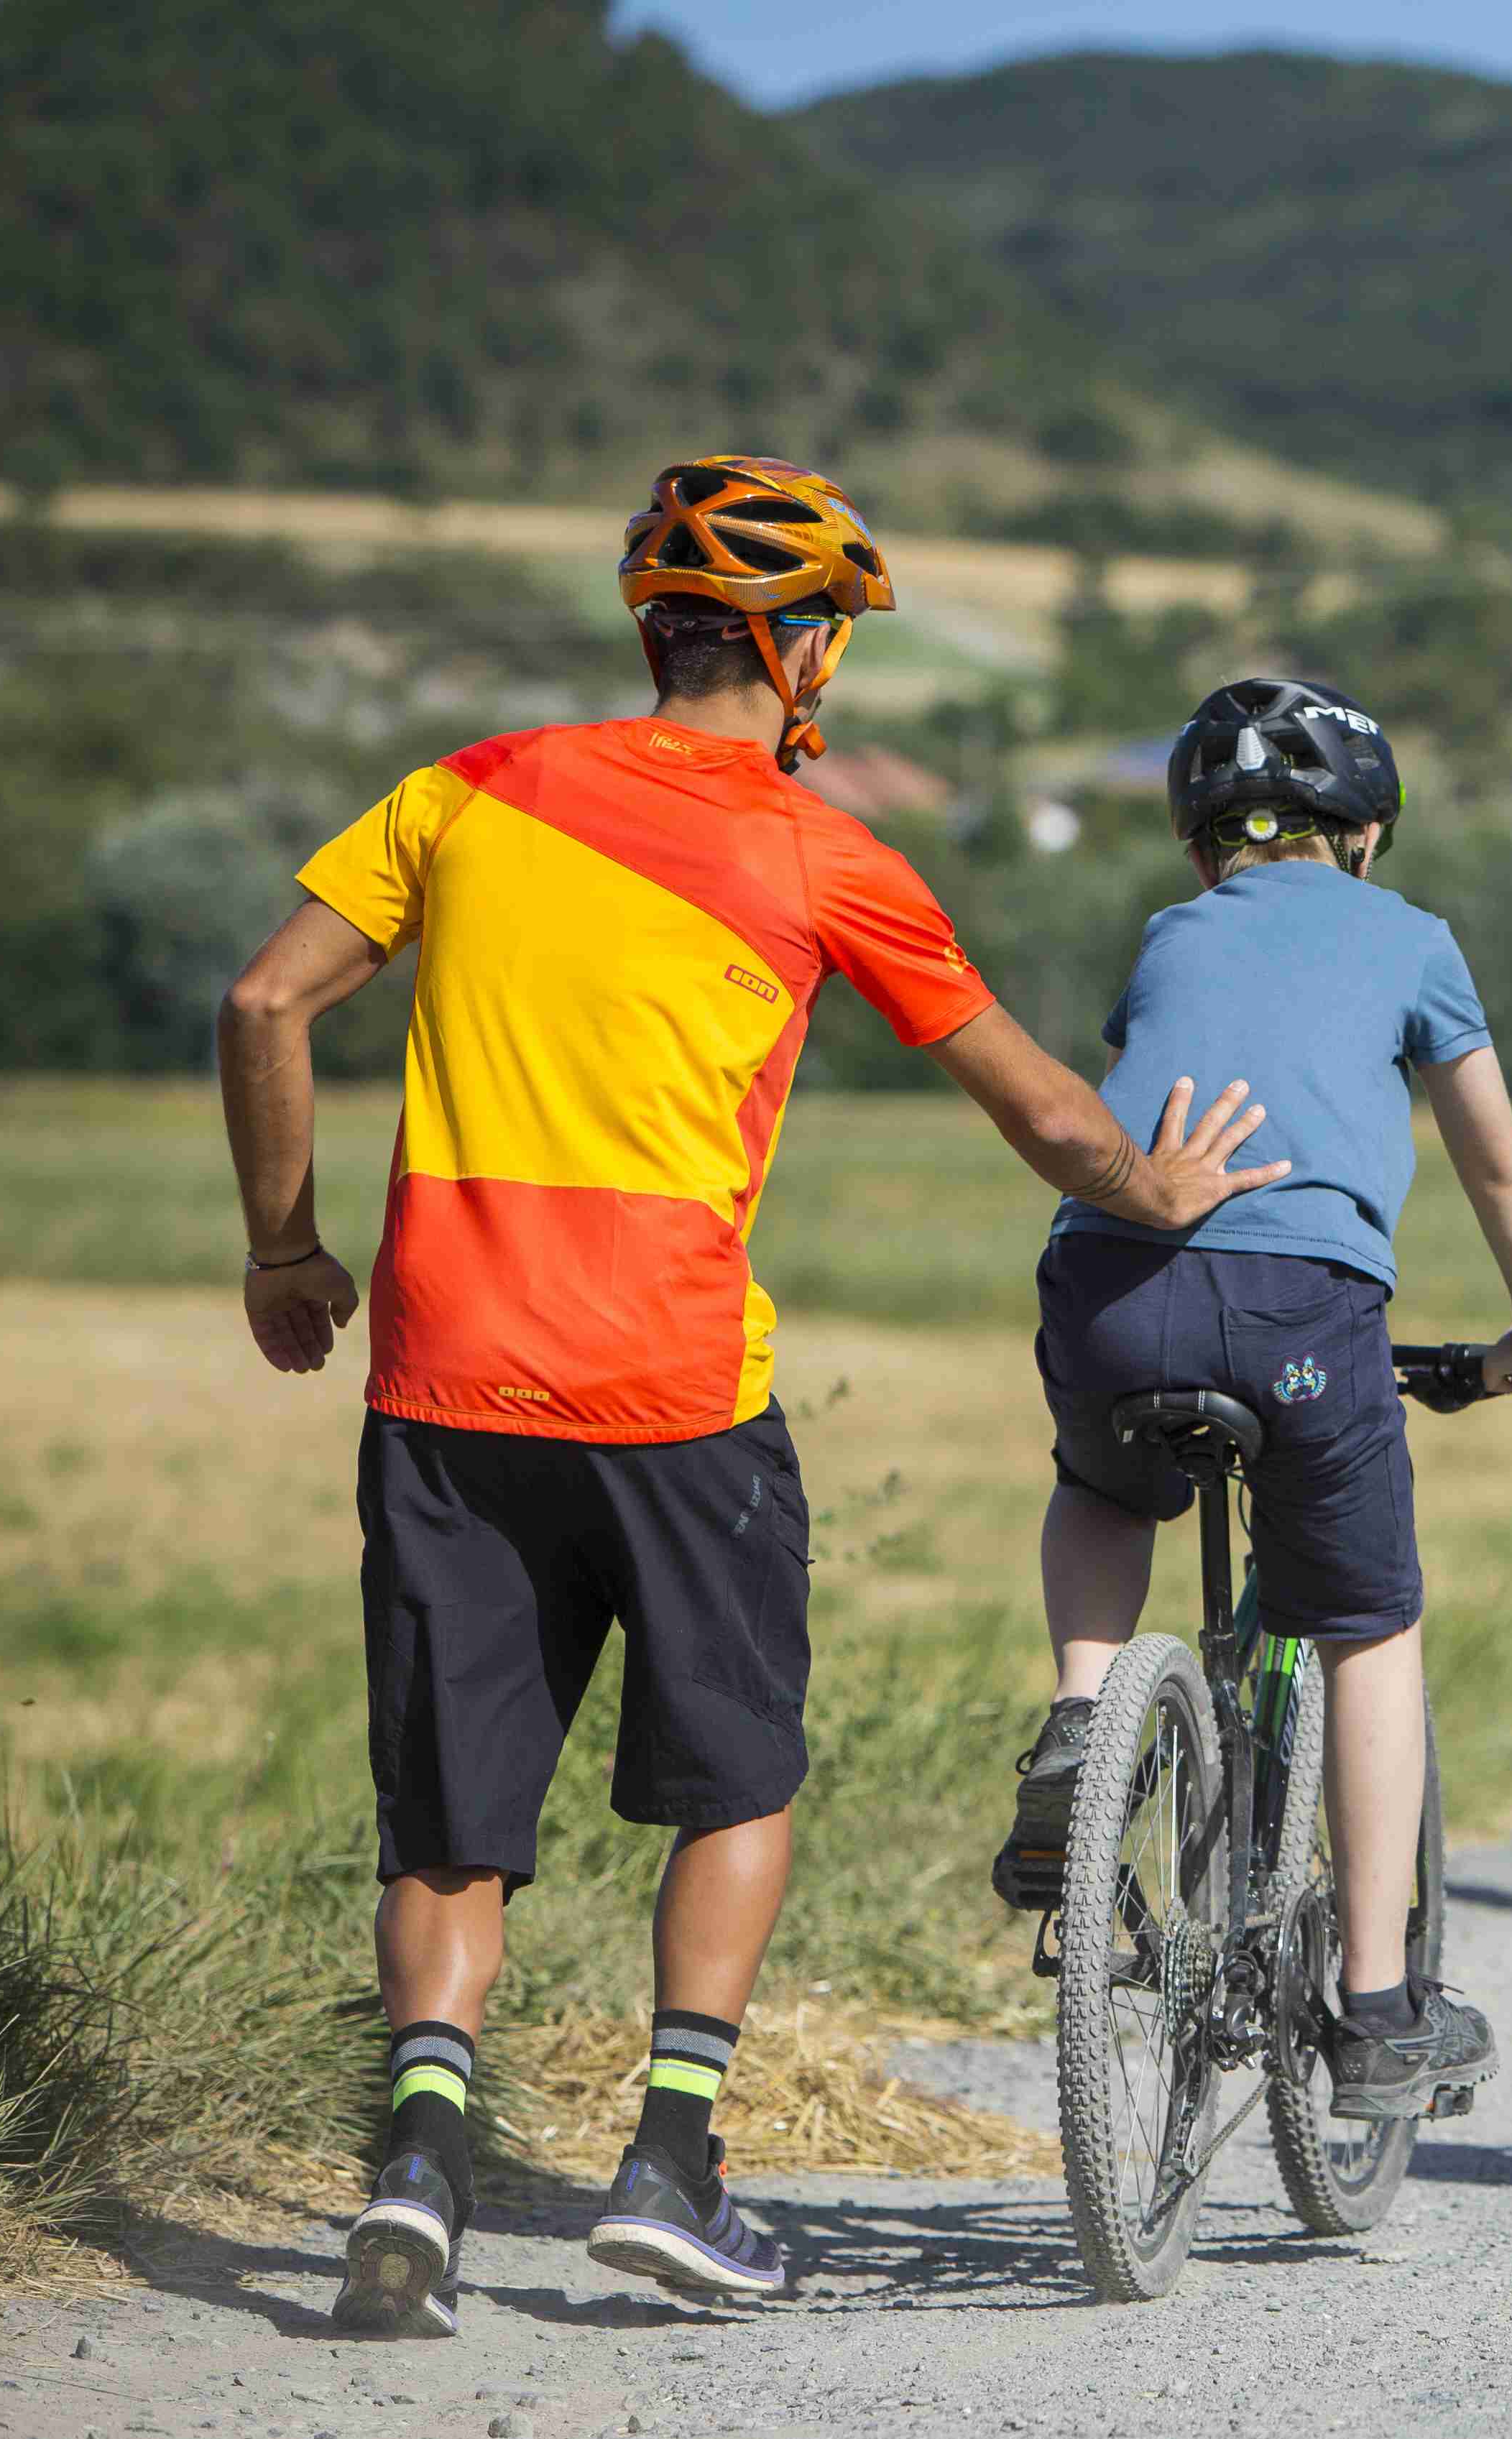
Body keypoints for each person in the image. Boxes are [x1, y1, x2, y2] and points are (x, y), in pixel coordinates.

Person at [218, 458, 1286, 2335]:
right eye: (834, 642)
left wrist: (285, 1252)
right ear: (796, 655)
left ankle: (412, 2168)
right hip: (676, 1397)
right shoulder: (826, 851)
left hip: (443, 1385)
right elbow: (1042, 1106)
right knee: (739, 1780)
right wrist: (1159, 1188)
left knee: (451, 1818)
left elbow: (263, 1005)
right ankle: (675, 2162)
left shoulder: (463, 792)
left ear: (656, 630)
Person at [996, 677, 1512, 2121]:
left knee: (1100, 1485)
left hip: (1106, 1289)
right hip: (1304, 1312)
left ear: (1205, 848)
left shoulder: (1168, 933)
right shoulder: (1414, 940)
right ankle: (1379, 2008)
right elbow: (1499, 1166)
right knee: (1367, 1624)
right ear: (1367, 833)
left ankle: (1084, 1721)